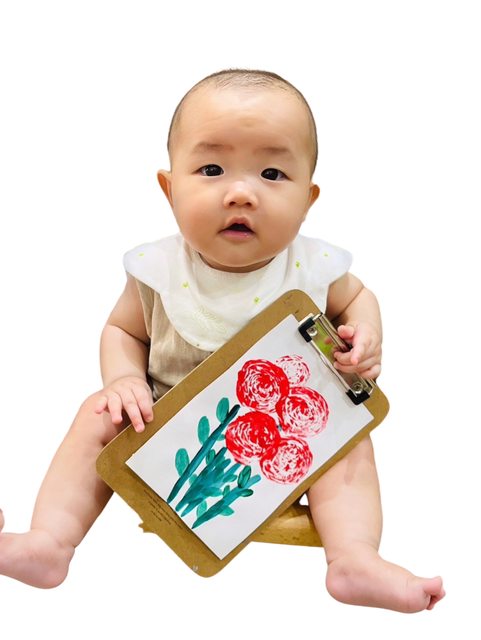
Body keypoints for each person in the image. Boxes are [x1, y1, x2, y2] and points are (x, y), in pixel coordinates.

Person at [0, 69, 444, 611]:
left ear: (308, 198)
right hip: (162, 419)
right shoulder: (159, 269)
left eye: (272, 173)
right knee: (98, 416)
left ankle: (353, 558)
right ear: (169, 189)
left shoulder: (315, 267)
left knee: (349, 441)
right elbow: (122, 330)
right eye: (211, 169)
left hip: (287, 432)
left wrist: (366, 334)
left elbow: (358, 300)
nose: (241, 193)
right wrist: (122, 380)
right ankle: (49, 543)